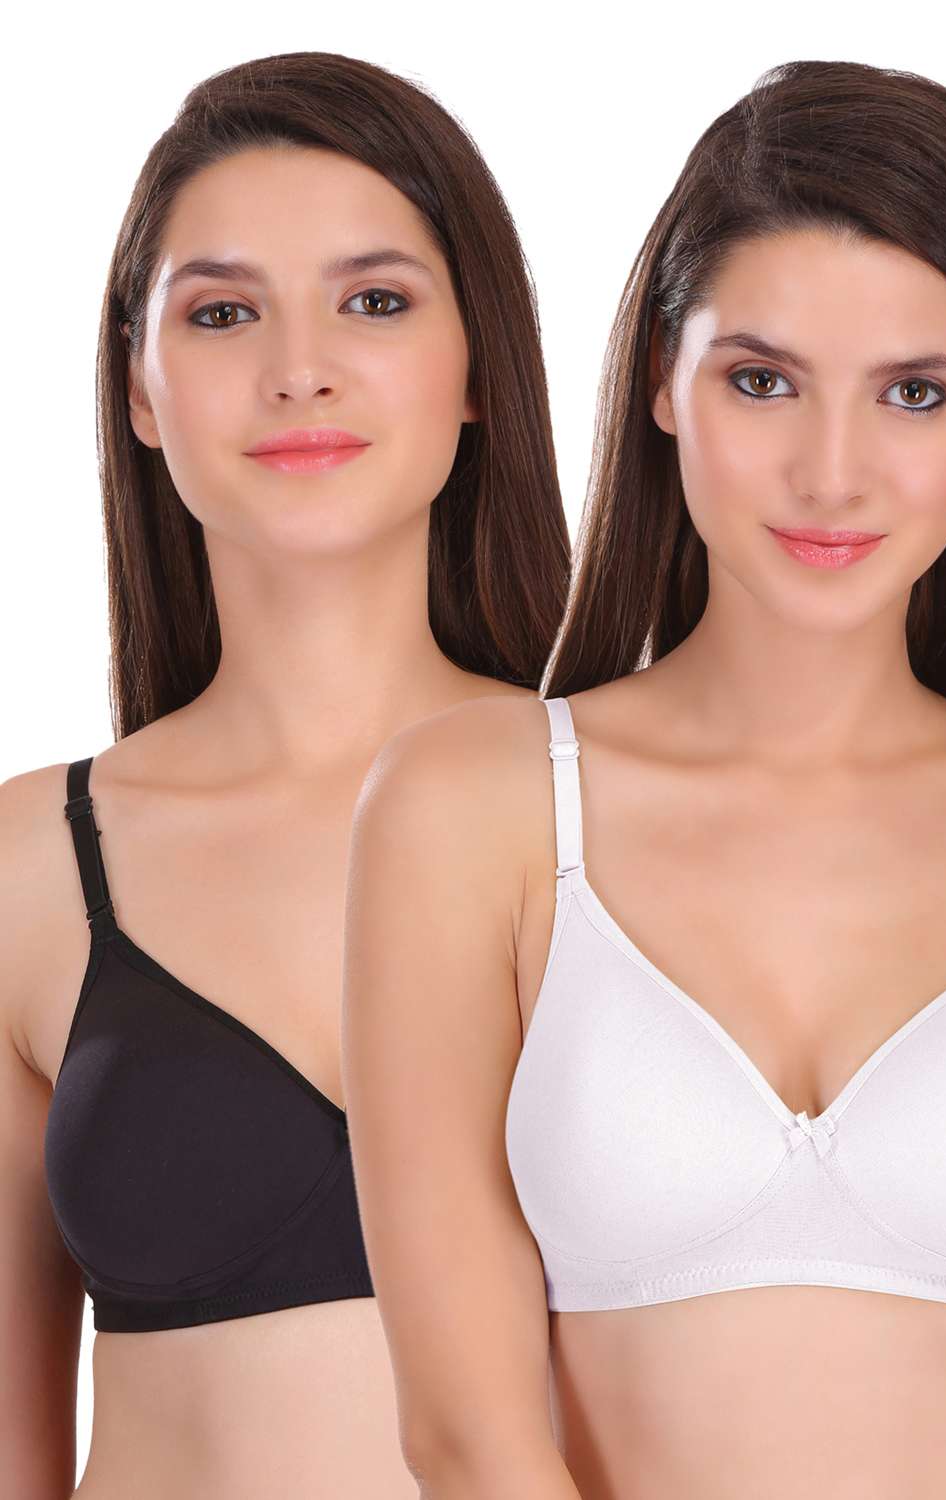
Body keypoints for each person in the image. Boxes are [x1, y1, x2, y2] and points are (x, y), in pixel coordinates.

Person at [343, 58, 946, 1499]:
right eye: (761, 381)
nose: (831, 473)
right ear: (663, 378)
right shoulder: (474, 808)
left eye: (913, 393)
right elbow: (467, 1437)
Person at [0, 49, 569, 1500]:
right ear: (139, 389)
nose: (297, 366)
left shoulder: (629, 806)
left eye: (374, 301)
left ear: (478, 368)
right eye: (222, 312)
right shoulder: (32, 866)